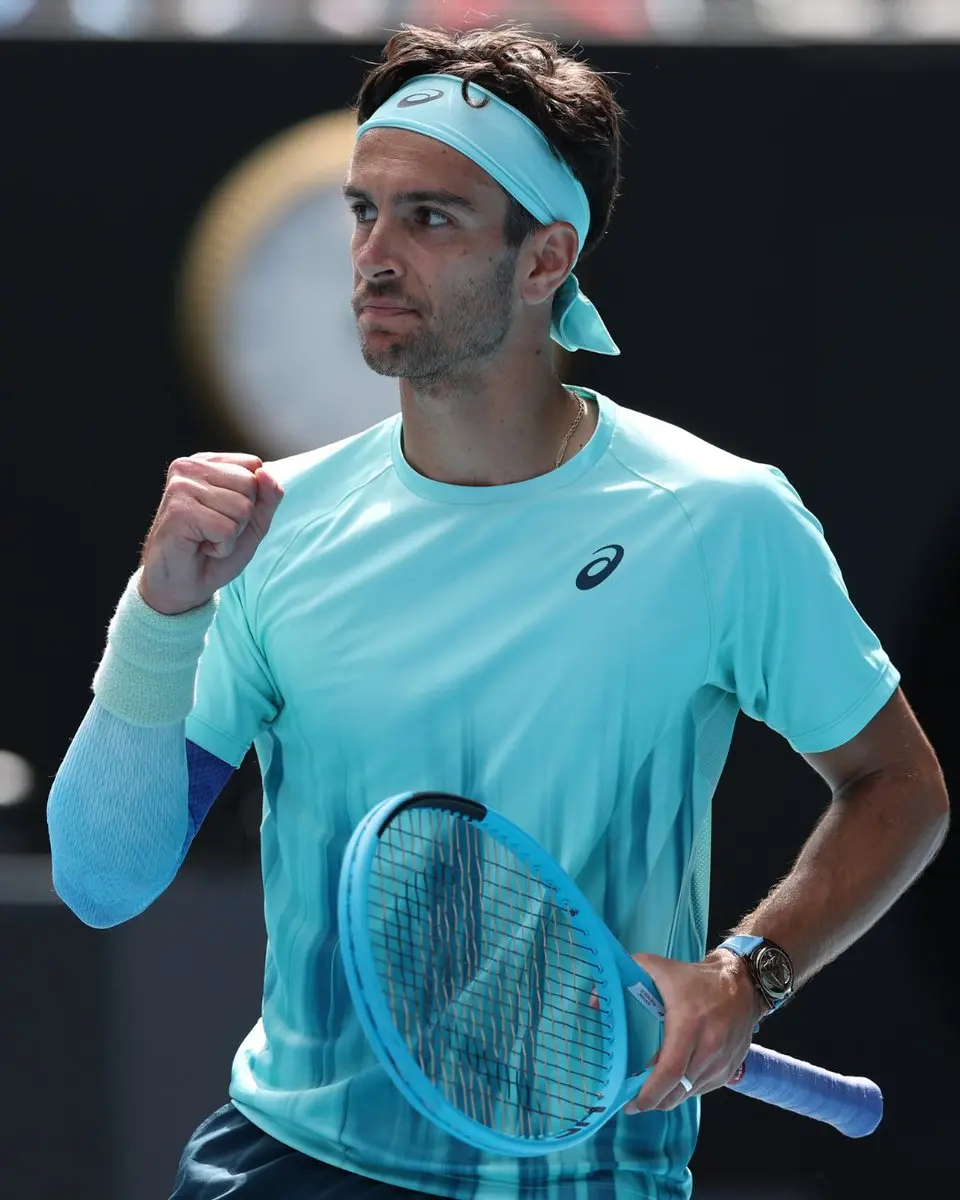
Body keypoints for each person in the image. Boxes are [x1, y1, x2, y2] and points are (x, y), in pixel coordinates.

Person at [47, 23, 949, 1200]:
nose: (373, 256)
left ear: (544, 259)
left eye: (430, 218)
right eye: (363, 211)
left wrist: (747, 974)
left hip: (595, 1178)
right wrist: (161, 615)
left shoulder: (721, 521)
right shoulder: (272, 531)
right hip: (290, 1169)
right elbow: (102, 880)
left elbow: (899, 785)